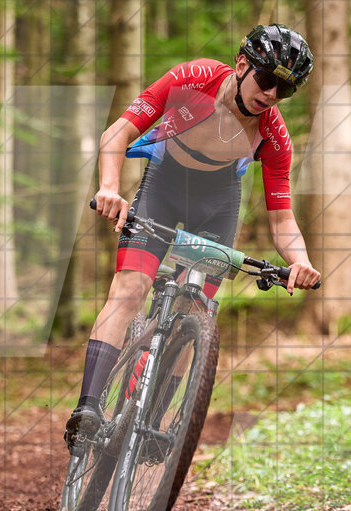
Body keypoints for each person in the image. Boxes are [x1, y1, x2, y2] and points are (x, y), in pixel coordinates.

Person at [65, 24, 321, 449]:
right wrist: (109, 188)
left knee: (196, 308)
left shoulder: (273, 134)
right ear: (242, 64)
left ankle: (155, 420)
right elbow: (117, 133)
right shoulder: (193, 78)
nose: (273, 94)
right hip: (163, 186)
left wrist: (301, 260)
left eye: (286, 89)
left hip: (218, 204)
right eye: (267, 80)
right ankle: (88, 406)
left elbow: (282, 217)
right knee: (130, 289)